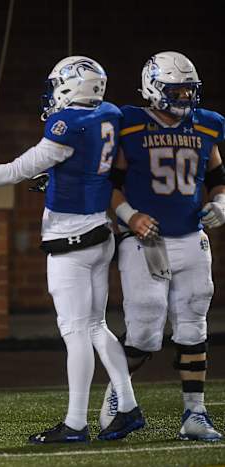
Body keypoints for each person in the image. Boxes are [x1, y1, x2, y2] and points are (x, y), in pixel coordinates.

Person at [0, 56, 144, 443]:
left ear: (69, 86)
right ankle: (127, 406)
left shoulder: (66, 125)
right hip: (101, 232)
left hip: (72, 243)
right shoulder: (111, 112)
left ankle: (76, 423)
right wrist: (60, 179)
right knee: (97, 327)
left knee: (76, 331)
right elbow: (92, 165)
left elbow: (15, 170)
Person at [100, 51, 224, 442]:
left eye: (190, 90)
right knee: (146, 329)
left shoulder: (206, 126)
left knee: (193, 322)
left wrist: (220, 203)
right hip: (146, 239)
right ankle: (118, 394)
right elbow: (109, 186)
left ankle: (195, 413)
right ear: (153, 89)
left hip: (191, 237)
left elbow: (218, 175)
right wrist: (130, 216)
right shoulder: (130, 123)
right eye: (177, 90)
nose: (186, 98)